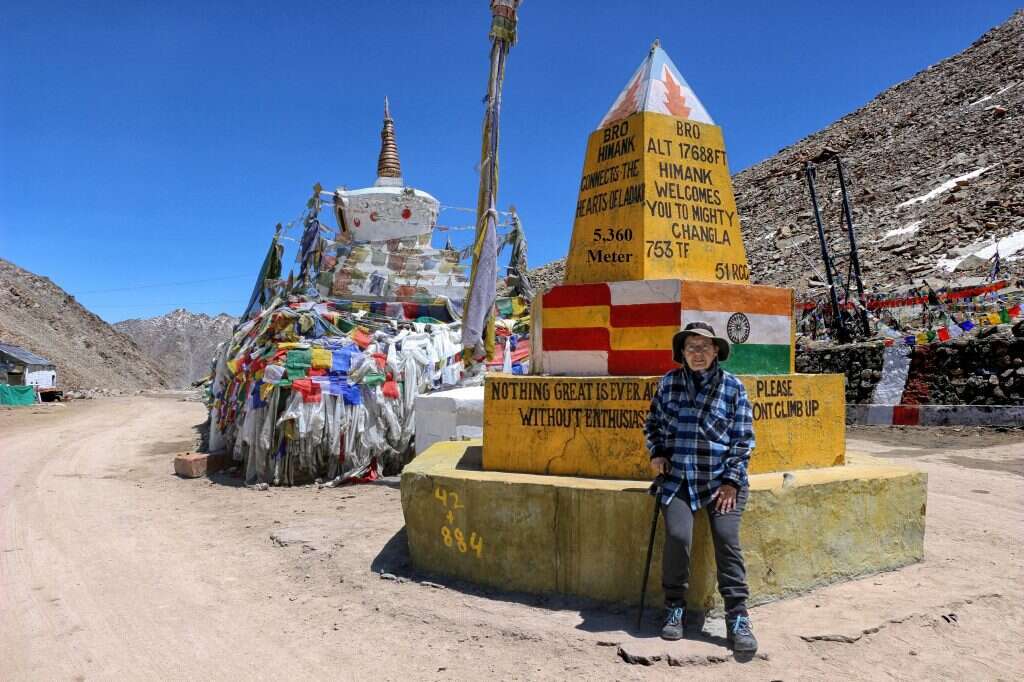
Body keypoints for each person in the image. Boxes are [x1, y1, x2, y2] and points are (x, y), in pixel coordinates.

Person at [644, 321, 758, 654]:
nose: (698, 353)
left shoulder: (732, 388)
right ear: (682, 352)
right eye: (691, 347)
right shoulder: (668, 384)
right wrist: (657, 454)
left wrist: (732, 481)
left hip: (722, 482)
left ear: (716, 352)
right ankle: (674, 607)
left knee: (726, 539)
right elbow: (652, 424)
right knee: (679, 537)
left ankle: (737, 617)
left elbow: (743, 439)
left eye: (704, 347)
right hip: (679, 479)